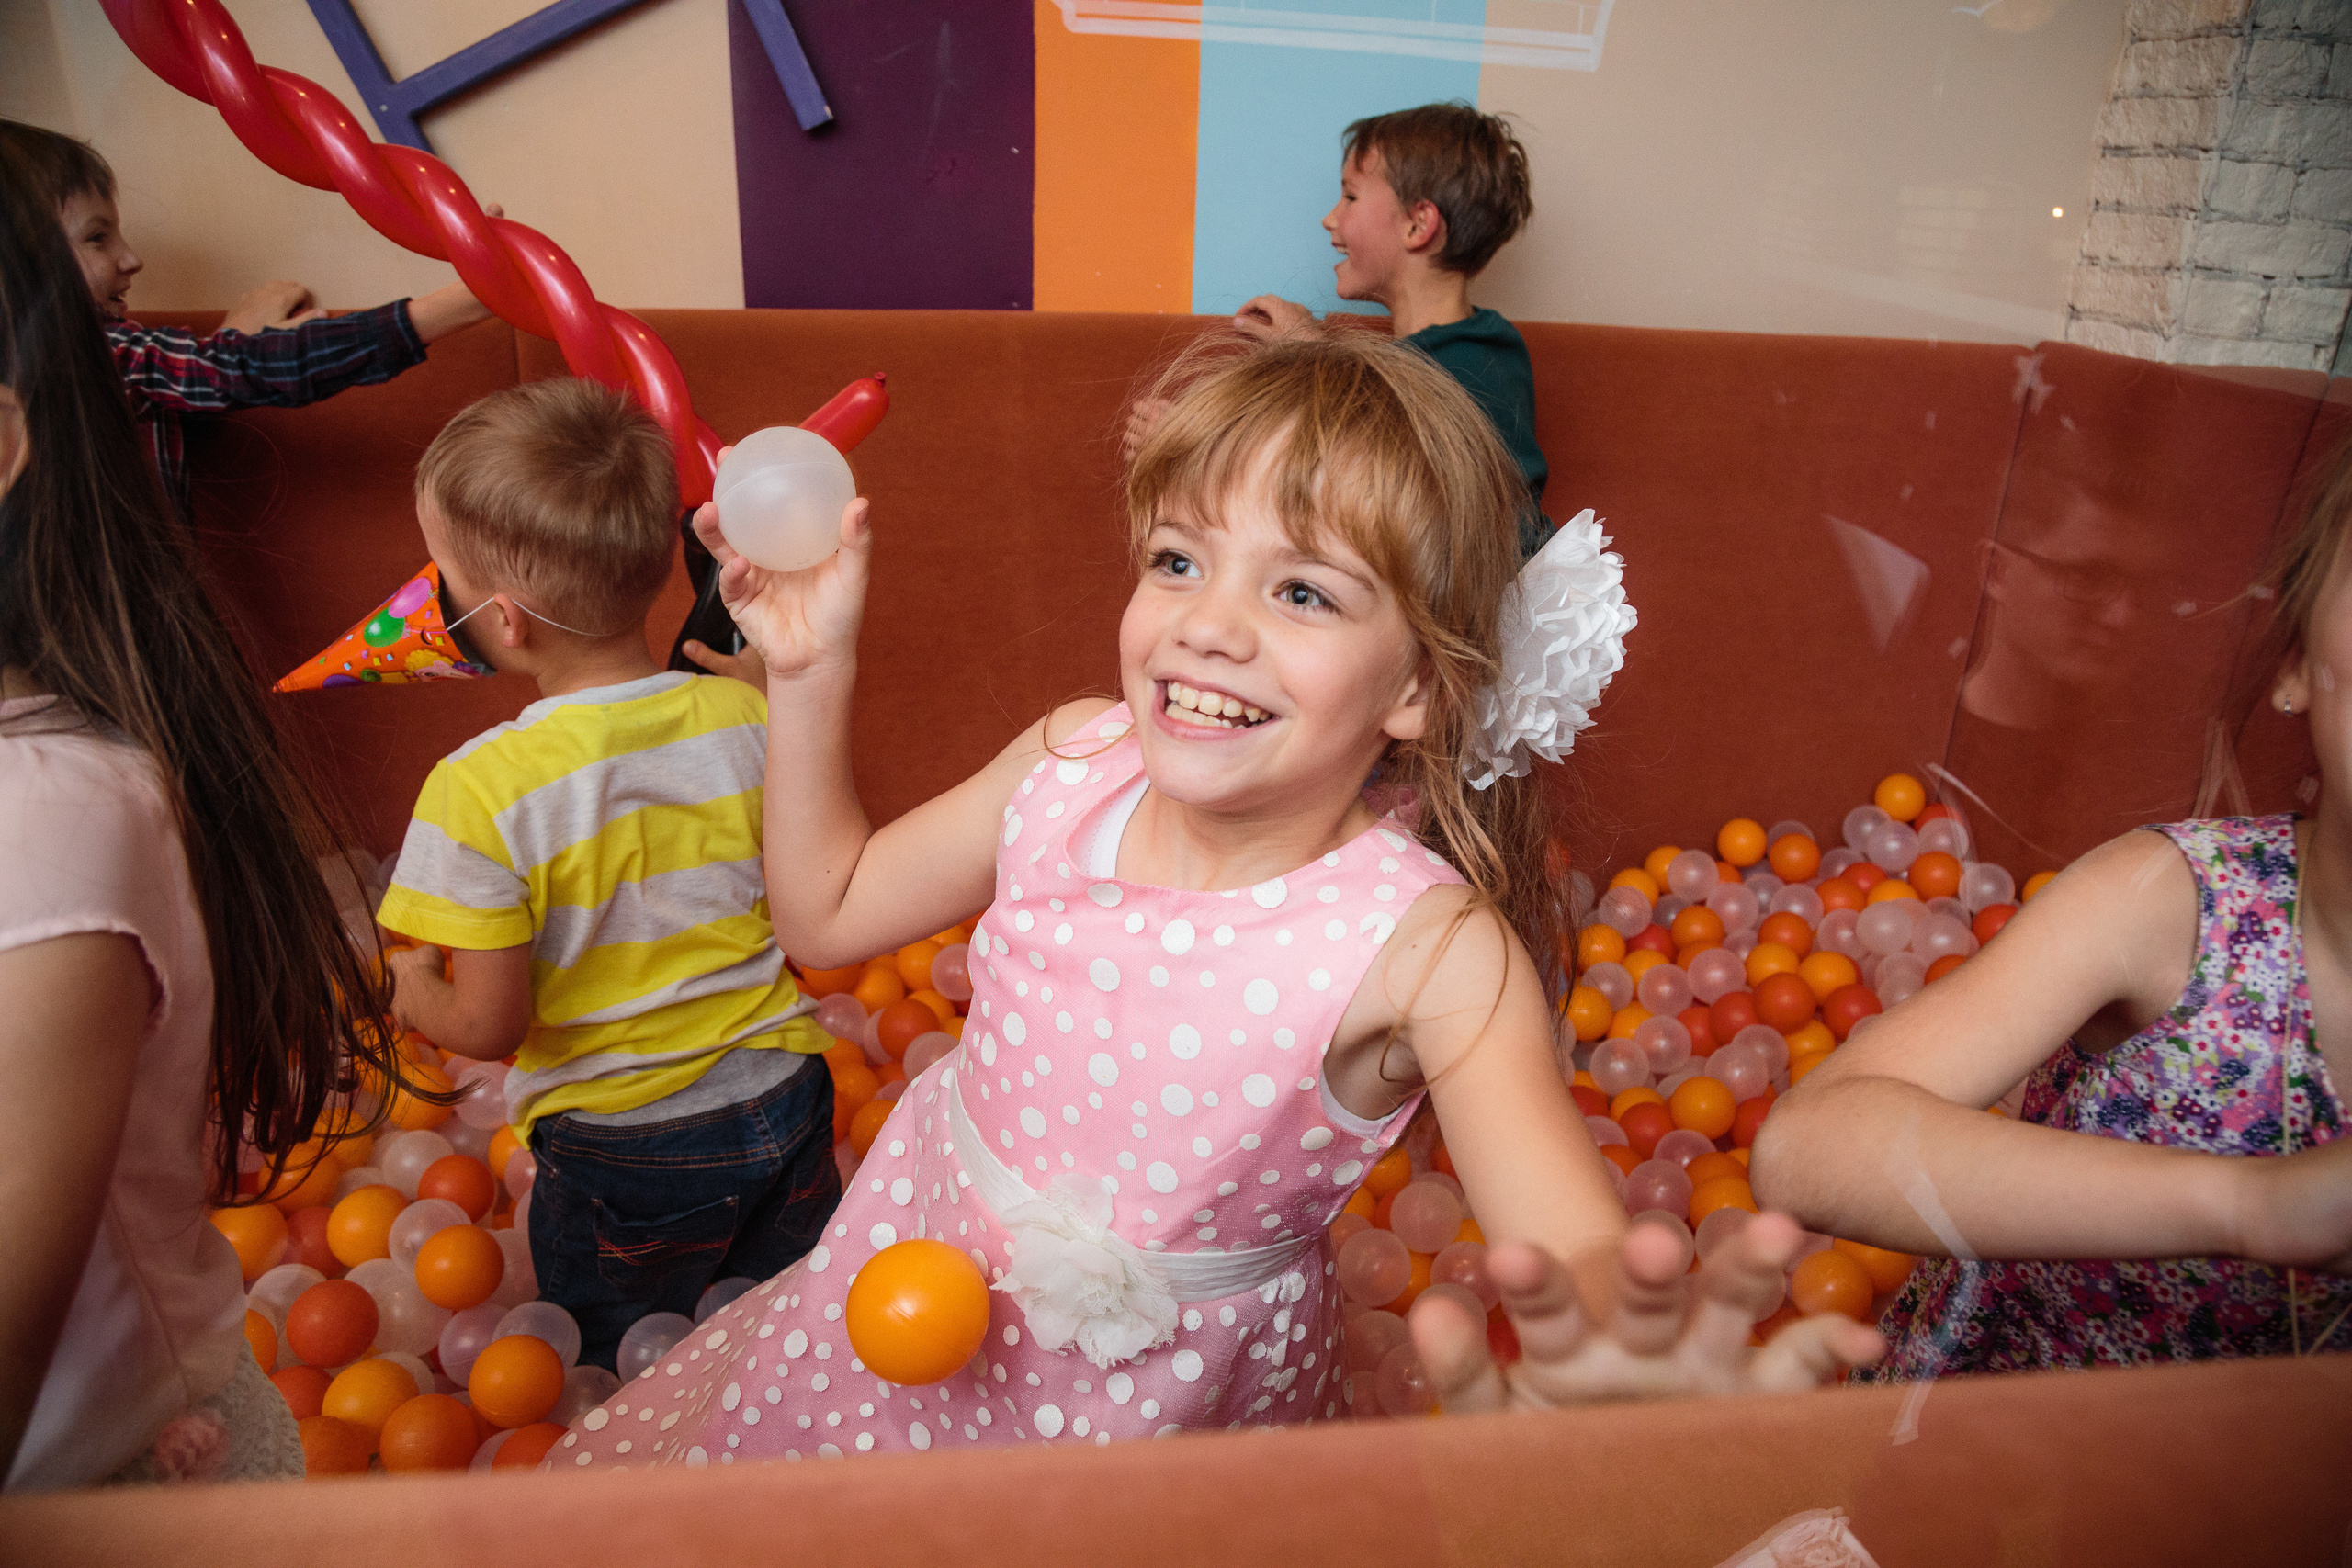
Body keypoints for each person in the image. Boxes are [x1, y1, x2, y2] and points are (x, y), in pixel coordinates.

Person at [555, 329, 1881, 1468]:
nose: (1208, 623)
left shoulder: (1428, 952)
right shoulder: (1069, 761)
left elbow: (1580, 1269)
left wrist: (1650, 1379)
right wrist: (809, 666)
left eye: (1302, 589)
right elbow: (828, 913)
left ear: (1418, 686)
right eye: (1180, 561)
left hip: (1158, 1412)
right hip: (903, 1265)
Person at [1753, 441, 2352, 1378]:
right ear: (2292, 667)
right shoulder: (2180, 906)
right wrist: (2250, 1206)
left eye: (2129, 592)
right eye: (2082, 580)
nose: (2109, 614)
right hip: (1989, 1449)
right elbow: (1806, 1148)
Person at [0, 150, 406, 1489]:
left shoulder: (49, 826)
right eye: (94, 237)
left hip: (131, 1475)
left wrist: (476, 284)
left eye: (118, 231)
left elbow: (269, 374)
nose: (121, 263)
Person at [374, 378, 840, 1373]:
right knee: (786, 1344)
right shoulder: (746, 716)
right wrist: (770, 702)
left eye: (440, 577)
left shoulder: (478, 790)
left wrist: (415, 992)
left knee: (614, 1367)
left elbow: (492, 1028)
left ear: (503, 621)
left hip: (625, 1145)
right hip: (786, 1094)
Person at [0, 118, 492, 522]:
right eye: (97, 238)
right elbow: (251, 369)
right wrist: (467, 300)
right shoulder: (98, 354)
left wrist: (228, 342)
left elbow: (198, 381)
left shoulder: (115, 355)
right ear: (20, 261)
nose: (131, 260)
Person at [1169, 103, 1550, 561]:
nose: (1331, 218)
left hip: (1487, 598)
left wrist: (1308, 350)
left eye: (1350, 197)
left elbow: (1393, 459)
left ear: (1417, 224)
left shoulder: (1482, 356)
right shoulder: (1434, 357)